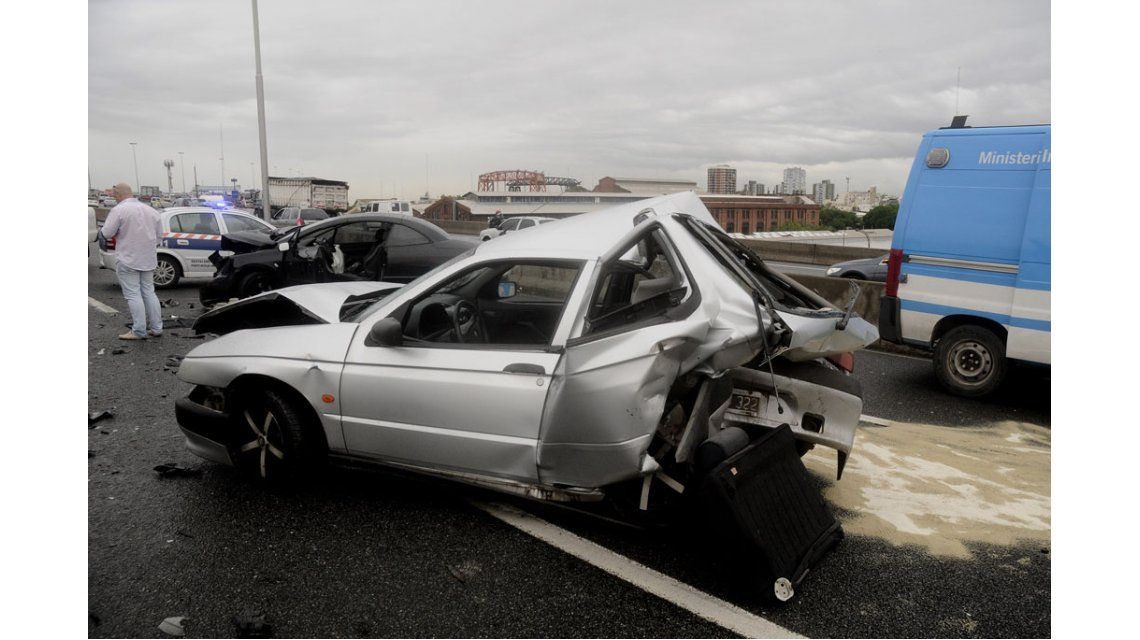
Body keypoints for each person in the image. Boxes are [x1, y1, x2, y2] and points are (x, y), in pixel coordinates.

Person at [101, 183, 164, 340]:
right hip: (148, 259)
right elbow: (159, 237)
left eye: (114, 194)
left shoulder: (119, 210)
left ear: (120, 194)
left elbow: (107, 233)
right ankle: (156, 328)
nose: (113, 197)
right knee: (149, 293)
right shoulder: (152, 211)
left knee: (133, 295)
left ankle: (139, 331)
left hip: (128, 259)